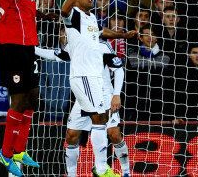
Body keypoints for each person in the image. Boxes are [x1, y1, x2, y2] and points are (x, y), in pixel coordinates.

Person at [61, 0, 136, 177]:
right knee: (100, 119)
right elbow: (63, 10)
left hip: (92, 80)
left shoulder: (91, 17)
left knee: (73, 134)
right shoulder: (74, 15)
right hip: (84, 77)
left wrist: (122, 34)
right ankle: (102, 169)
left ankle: (75, 173)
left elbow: (101, 32)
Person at [34, 40, 130, 177]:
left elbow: (118, 69)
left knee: (113, 134)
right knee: (71, 135)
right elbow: (56, 55)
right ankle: (72, 174)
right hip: (83, 96)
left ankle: (125, 172)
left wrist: (116, 94)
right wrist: (32, 49)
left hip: (104, 94)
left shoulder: (101, 44)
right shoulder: (73, 44)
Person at [0, 0, 41, 176]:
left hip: (28, 47)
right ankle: (5, 152)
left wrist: (42, 15)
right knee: (19, 99)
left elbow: (24, 12)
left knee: (32, 97)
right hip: (11, 48)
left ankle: (19, 150)